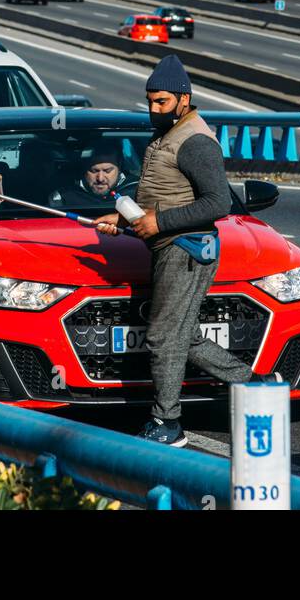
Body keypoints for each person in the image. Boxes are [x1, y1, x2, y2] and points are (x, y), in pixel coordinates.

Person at [94, 53, 256, 448]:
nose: (153, 109)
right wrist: (124, 215)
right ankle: (255, 385)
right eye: (150, 100)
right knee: (183, 334)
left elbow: (218, 203)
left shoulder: (195, 140)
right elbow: (155, 192)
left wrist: (159, 222)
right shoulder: (166, 133)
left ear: (184, 99)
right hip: (169, 246)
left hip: (185, 249)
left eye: (162, 101)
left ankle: (167, 423)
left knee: (164, 336)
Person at [50, 143, 127, 208]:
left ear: (119, 167)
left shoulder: (135, 191)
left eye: (107, 171)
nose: (100, 178)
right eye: (94, 171)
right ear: (84, 169)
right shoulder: (64, 196)